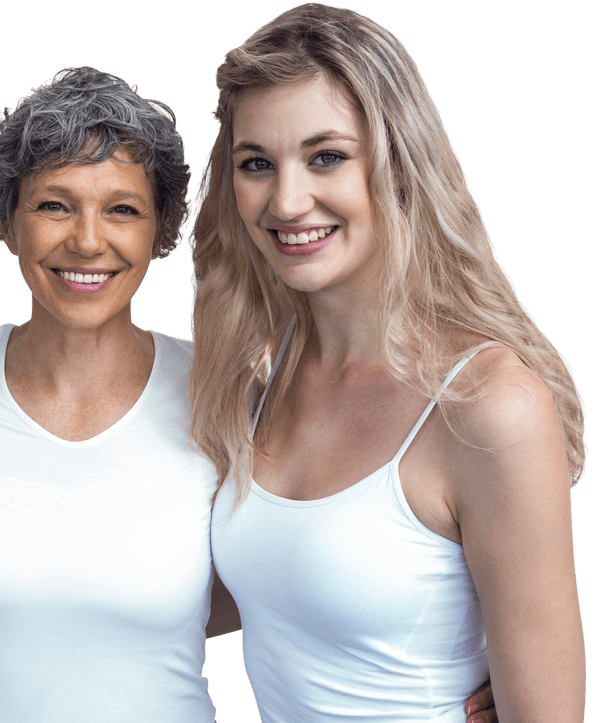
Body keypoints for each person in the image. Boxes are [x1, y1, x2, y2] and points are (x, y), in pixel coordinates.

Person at [191, 4, 586, 722]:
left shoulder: (487, 406)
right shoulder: (259, 375)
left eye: (327, 156)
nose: (286, 200)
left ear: (399, 162)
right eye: (257, 164)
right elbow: (264, 592)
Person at [0, 66, 218, 721]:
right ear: (8, 219)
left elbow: (293, 579)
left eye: (122, 209)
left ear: (161, 230)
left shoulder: (222, 386)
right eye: (54, 203)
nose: (87, 240)